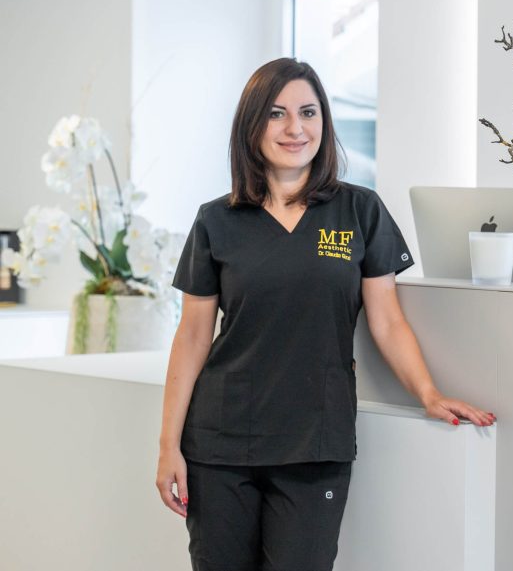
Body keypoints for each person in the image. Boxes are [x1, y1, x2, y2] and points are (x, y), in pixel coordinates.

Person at [156, 58, 494, 571]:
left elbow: (387, 321)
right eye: (277, 114)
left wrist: (428, 393)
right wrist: (168, 447)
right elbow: (193, 337)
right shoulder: (216, 220)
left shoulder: (360, 211)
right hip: (220, 444)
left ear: (324, 122)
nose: (295, 128)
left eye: (308, 112)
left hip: (315, 443)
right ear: (252, 125)